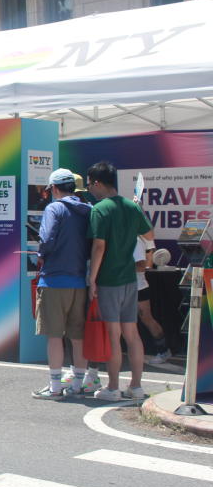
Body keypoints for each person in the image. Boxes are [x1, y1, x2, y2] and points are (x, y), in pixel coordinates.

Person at [87, 161, 155, 401]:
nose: (89, 190)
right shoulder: (131, 206)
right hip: (130, 279)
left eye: (89, 185)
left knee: (113, 335)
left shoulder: (100, 209)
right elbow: (148, 235)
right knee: (132, 334)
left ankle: (113, 387)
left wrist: (92, 279)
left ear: (96, 183)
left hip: (109, 280)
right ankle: (136, 387)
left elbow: (99, 246)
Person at [30, 169, 94, 400]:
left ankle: (55, 387)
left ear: (54, 188)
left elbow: (46, 239)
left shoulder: (54, 208)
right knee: (78, 336)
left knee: (54, 335)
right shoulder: (88, 210)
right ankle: (78, 383)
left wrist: (41, 254)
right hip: (80, 280)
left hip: (54, 279)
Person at [135, 237, 171, 365]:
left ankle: (163, 350)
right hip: (125, 286)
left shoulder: (137, 240)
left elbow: (141, 266)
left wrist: (120, 267)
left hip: (139, 287)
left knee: (147, 319)